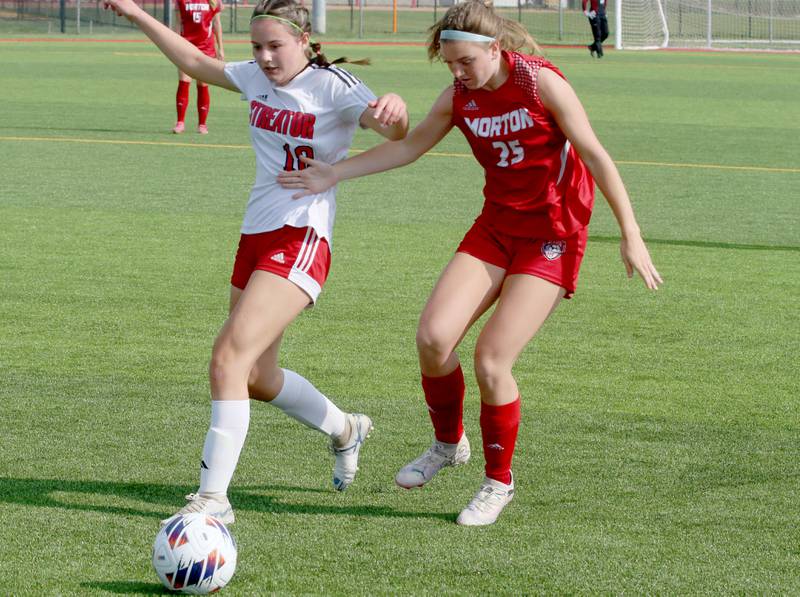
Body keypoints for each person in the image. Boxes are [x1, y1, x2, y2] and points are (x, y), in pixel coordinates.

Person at [278, 0, 662, 527]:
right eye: (450, 64)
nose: (458, 74)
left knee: (491, 360)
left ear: (494, 49)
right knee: (433, 339)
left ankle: (498, 482)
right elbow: (408, 148)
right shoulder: (459, 96)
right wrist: (334, 173)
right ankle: (446, 444)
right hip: (496, 228)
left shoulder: (539, 85)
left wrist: (630, 233)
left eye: (465, 62)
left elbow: (595, 154)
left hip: (552, 236)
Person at [101, 0, 409, 524]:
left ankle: (213, 499)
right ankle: (345, 427)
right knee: (258, 377)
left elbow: (394, 132)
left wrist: (395, 110)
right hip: (255, 235)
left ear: (305, 41)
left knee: (226, 359)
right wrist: (136, 14)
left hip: (303, 235)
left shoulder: (334, 85)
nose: (265, 58)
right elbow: (198, 63)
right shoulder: (254, 78)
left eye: (276, 46)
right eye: (258, 47)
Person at [172, 0, 224, 134]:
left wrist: (220, 48)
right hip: (186, 46)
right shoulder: (181, 1)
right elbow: (178, 24)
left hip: (205, 48)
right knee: (184, 81)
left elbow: (217, 24)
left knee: (202, 84)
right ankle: (180, 123)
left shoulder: (213, 2)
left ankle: (202, 124)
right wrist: (175, 46)